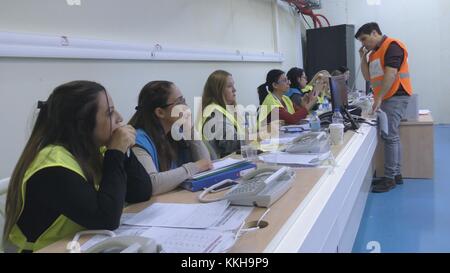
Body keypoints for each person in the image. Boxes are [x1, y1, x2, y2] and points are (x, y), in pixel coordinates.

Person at [3, 81, 151, 252]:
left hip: (80, 244)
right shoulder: (52, 165)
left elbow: (142, 192)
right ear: (83, 125)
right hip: (48, 249)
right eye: (110, 113)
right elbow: (106, 219)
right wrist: (116, 153)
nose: (120, 118)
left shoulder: (94, 149)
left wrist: (124, 151)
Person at [355, 22, 413, 193]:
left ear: (375, 33)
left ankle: (390, 179)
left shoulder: (392, 46)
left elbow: (391, 73)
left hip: (395, 96)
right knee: (391, 136)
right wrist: (362, 57)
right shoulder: (373, 54)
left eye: (364, 39)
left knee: (390, 136)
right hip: (386, 97)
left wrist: (379, 97)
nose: (363, 44)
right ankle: (395, 174)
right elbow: (367, 77)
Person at [129, 81, 212, 196]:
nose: (186, 107)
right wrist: (195, 167)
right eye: (179, 102)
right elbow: (152, 183)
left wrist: (190, 130)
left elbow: (206, 164)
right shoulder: (138, 140)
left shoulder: (176, 132)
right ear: (160, 112)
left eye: (184, 100)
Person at [199, 70, 243, 158]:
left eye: (233, 85)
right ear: (218, 90)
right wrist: (258, 136)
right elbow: (230, 145)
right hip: (223, 163)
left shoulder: (220, 109)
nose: (234, 90)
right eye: (229, 86)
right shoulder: (215, 113)